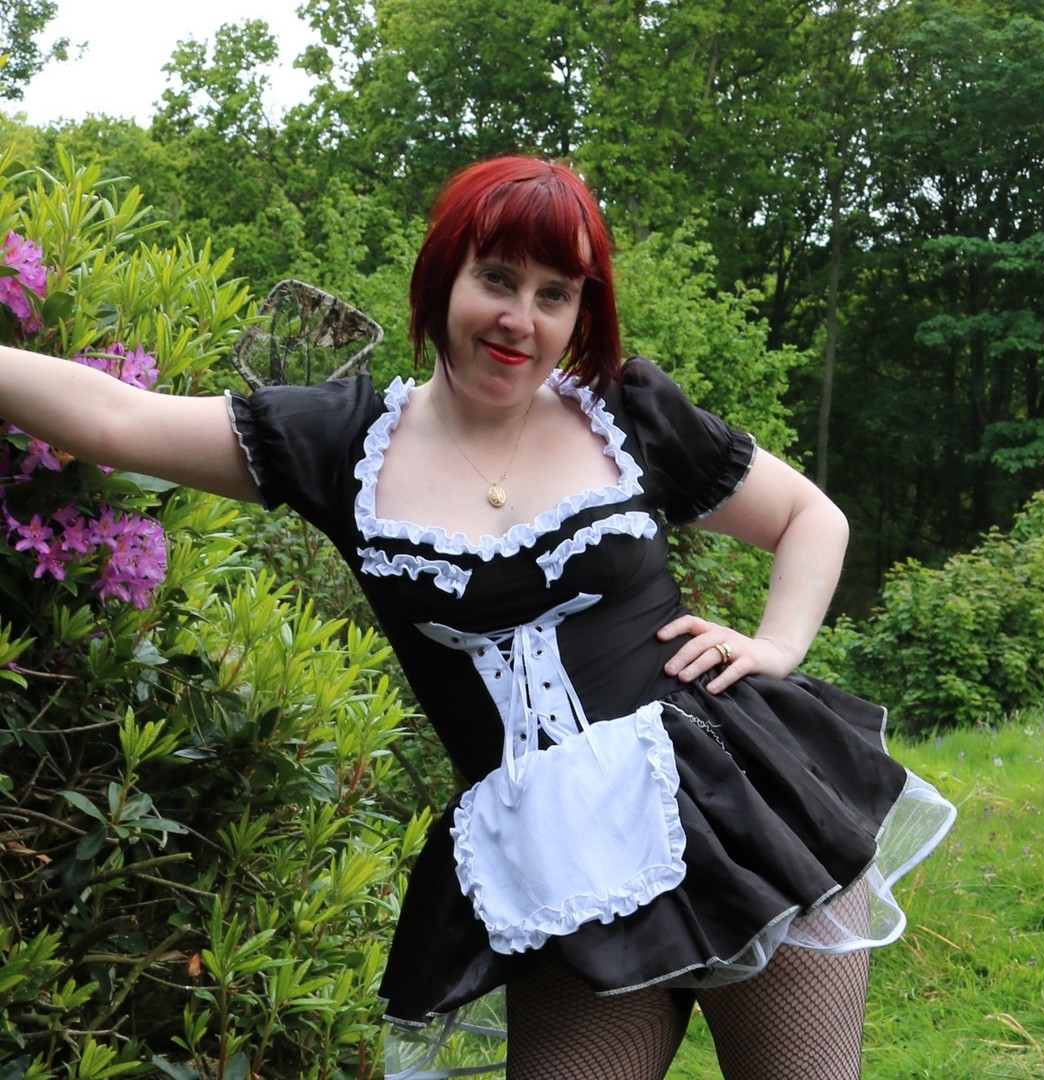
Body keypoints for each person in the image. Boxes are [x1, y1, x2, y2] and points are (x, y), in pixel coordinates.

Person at [0, 156, 955, 1079]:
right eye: (496, 278)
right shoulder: (342, 443)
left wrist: (776, 645)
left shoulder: (625, 415)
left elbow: (808, 517)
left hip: (739, 813)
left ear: (581, 313)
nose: (519, 319)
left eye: (554, 294)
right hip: (555, 872)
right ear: (442, 277)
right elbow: (117, 420)